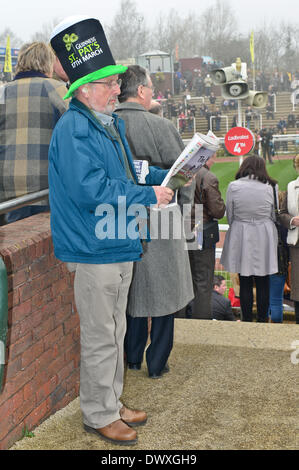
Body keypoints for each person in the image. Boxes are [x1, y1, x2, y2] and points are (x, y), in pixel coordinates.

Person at [48, 16, 174, 446]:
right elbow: (91, 191)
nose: (118, 88)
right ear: (85, 88)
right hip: (93, 246)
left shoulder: (106, 123)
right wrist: (147, 197)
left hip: (115, 242)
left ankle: (111, 400)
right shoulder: (75, 127)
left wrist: (164, 174)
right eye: (109, 82)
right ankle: (99, 412)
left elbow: (127, 172)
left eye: (117, 81)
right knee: (103, 335)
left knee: (115, 332)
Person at [115, 65, 194, 378]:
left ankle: (132, 357)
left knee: (133, 291)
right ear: (141, 91)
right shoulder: (160, 126)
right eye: (150, 88)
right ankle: (157, 363)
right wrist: (184, 215)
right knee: (164, 292)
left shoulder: (108, 123)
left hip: (119, 216)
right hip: (160, 218)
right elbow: (184, 177)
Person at [0, 42, 68, 223]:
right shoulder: (56, 89)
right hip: (46, 188)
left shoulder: (2, 92)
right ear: (48, 63)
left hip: (8, 191)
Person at [220, 156, 278, 322]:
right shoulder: (271, 186)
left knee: (244, 279)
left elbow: (230, 215)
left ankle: (246, 320)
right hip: (264, 233)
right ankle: (262, 320)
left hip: (242, 232)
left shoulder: (234, 186)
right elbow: (273, 214)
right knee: (263, 280)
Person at [188, 153, 226, 319]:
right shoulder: (208, 177)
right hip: (200, 229)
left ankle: (182, 321)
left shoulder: (184, 173)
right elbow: (218, 211)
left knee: (185, 279)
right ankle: (200, 325)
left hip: (179, 228)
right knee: (203, 282)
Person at [279, 155, 299, 324]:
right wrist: (292, 220)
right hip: (296, 243)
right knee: (297, 288)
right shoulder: (291, 187)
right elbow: (282, 213)